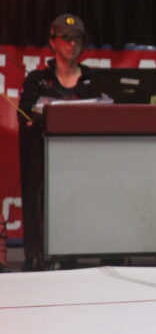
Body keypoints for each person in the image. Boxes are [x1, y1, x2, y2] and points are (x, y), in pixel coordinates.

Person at [17, 14, 97, 270]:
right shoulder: (36, 80)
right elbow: (24, 115)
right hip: (45, 160)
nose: (71, 44)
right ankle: (37, 255)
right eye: (65, 38)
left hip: (84, 162)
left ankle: (79, 253)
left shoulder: (93, 80)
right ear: (53, 42)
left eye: (77, 39)